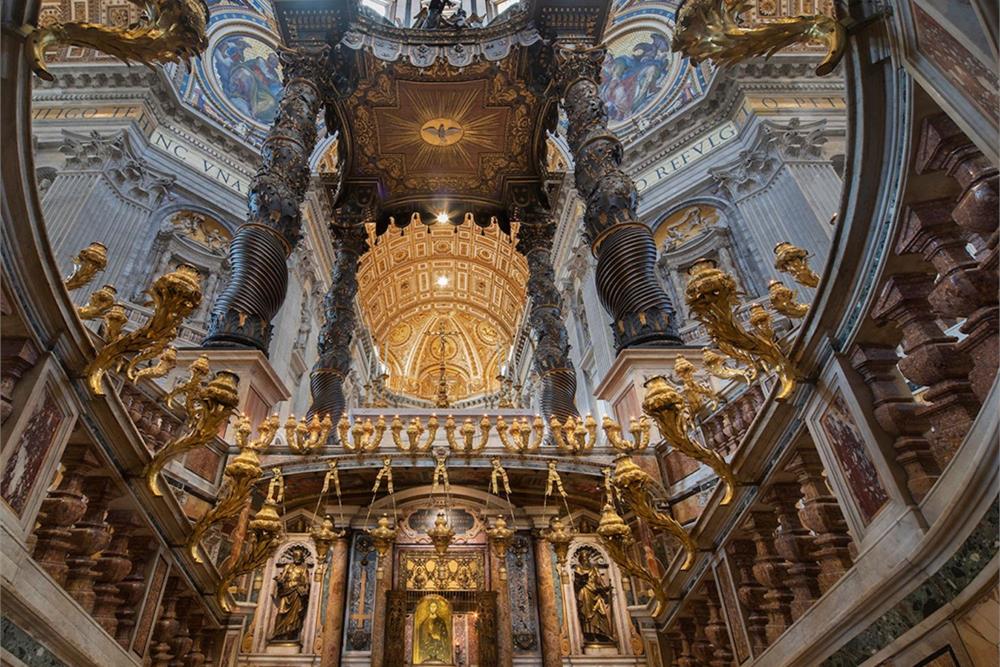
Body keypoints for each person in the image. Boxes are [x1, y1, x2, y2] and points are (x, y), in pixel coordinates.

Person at [270, 547, 311, 643]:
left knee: (295, 615)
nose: (297, 558)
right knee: (281, 612)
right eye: (296, 556)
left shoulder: (303, 568)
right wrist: (279, 580)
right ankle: (278, 633)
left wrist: (305, 590)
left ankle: (290, 633)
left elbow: (306, 582)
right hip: (286, 591)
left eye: (299, 556)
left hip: (296, 593)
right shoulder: (288, 566)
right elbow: (282, 577)